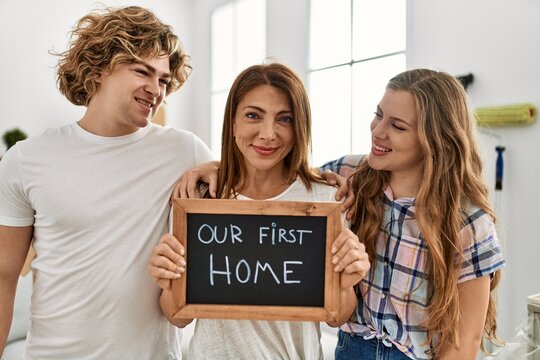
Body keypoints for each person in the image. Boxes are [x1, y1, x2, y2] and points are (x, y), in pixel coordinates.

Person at [173, 68, 506, 359]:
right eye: (379, 114)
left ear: (434, 141)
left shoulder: (468, 222)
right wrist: (216, 167)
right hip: (351, 350)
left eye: (398, 126)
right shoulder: (349, 175)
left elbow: (464, 343)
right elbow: (274, 175)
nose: (378, 131)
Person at [0, 6, 213, 359]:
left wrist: (221, 166)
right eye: (142, 71)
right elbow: (4, 279)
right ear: (98, 68)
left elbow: (252, 200)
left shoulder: (186, 152)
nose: (155, 89)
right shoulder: (27, 159)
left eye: (162, 79)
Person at [147, 62, 370, 359]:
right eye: (253, 115)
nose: (268, 134)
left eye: (285, 119)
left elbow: (336, 316)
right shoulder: (200, 200)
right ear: (233, 123)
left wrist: (347, 281)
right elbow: (178, 316)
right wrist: (167, 279)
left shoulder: (325, 200)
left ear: (299, 126)